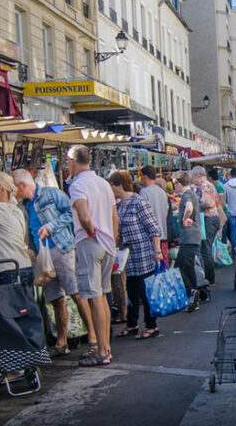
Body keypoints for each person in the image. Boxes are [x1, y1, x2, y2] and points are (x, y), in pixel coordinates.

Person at [13, 169, 94, 357]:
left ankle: (94, 339)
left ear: (22, 185)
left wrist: (51, 227)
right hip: (43, 256)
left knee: (76, 293)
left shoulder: (51, 194)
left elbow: (71, 214)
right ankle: (61, 341)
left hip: (62, 249)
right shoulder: (23, 207)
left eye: (14, 188)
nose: (13, 193)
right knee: (55, 299)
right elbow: (29, 231)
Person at [67, 145, 119, 367]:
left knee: (95, 297)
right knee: (104, 295)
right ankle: (105, 347)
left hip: (91, 242)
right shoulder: (103, 183)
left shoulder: (78, 185)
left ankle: (101, 350)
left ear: (72, 161)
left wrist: (92, 233)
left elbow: (84, 216)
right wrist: (111, 241)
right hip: (107, 243)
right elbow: (114, 217)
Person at [108, 171, 164, 340]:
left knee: (145, 291)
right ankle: (132, 323)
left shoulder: (139, 202)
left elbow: (153, 228)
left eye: (112, 186)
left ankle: (151, 325)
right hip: (127, 257)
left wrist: (157, 251)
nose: (111, 189)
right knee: (131, 290)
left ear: (119, 186)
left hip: (143, 254)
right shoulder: (119, 205)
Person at [171, 171, 204, 311]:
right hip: (192, 236)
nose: (174, 188)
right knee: (187, 266)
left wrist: (184, 219)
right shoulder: (191, 193)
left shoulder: (186, 195)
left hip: (189, 236)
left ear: (178, 183)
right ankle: (193, 294)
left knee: (180, 267)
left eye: (174, 184)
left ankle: (192, 291)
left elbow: (189, 208)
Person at [191, 165, 223, 286]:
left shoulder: (204, 186)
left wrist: (194, 203)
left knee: (205, 249)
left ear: (197, 176)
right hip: (212, 218)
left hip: (209, 218)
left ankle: (210, 279)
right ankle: (210, 277)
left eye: (192, 177)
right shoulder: (209, 185)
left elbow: (206, 203)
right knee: (206, 248)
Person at [139, 166, 172, 264]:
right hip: (163, 233)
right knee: (163, 263)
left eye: (141, 176)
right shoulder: (162, 192)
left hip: (150, 236)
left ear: (145, 176)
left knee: (153, 266)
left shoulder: (144, 192)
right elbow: (166, 212)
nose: (141, 180)